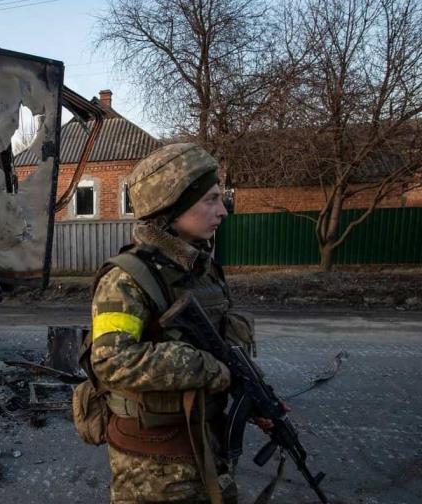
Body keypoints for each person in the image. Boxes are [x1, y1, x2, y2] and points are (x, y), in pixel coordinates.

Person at [91, 143, 261, 504]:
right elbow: (111, 361)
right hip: (154, 466)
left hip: (206, 444)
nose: (223, 211)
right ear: (173, 208)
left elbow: (224, 341)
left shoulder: (203, 269)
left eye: (221, 198)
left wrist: (254, 396)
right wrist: (206, 368)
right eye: (211, 199)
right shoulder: (126, 278)